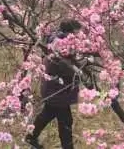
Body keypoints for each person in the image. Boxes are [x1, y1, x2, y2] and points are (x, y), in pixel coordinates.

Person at [25, 19, 84, 149]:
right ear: (70, 32)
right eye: (77, 32)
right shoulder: (61, 45)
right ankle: (67, 147)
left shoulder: (56, 41)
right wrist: (80, 69)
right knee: (66, 121)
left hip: (54, 88)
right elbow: (65, 66)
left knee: (48, 113)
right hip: (58, 90)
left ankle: (31, 136)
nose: (79, 35)